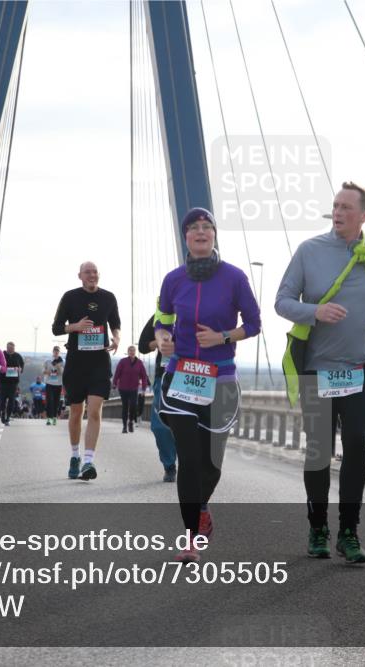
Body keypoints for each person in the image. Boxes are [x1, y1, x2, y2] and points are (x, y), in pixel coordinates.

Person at [276, 181, 365, 564]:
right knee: (319, 450)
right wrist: (314, 311)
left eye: (346, 207)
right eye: (335, 205)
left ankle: (349, 531)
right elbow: (282, 301)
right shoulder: (309, 251)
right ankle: (318, 527)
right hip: (319, 368)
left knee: (357, 441)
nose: (338, 212)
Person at [155, 207, 260, 563]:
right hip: (181, 376)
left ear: (214, 235)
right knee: (189, 459)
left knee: (211, 464)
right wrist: (163, 338)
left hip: (220, 378)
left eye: (207, 227)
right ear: (185, 236)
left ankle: (200, 507)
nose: (200, 232)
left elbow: (254, 324)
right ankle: (191, 539)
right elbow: (163, 319)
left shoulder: (234, 277)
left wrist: (223, 336)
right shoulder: (173, 280)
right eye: (193, 228)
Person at [52, 261, 121, 481]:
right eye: (87, 272)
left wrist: (116, 338)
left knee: (94, 411)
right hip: (76, 363)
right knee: (76, 412)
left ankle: (89, 461)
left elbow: (115, 324)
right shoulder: (70, 297)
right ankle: (75, 456)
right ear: (80, 276)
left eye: (95, 272)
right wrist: (75, 327)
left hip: (99, 362)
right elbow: (56, 328)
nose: (92, 275)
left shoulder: (108, 297)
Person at [138, 312, 178, 482]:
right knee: (161, 426)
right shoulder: (161, 315)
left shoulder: (203, 310)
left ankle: (191, 463)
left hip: (195, 374)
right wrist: (161, 342)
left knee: (192, 424)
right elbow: (142, 346)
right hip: (165, 375)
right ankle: (169, 465)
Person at [113, 345, 149, 433]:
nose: (132, 352)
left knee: (133, 405)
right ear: (128, 352)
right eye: (130, 351)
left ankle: (131, 422)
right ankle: (124, 426)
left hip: (134, 388)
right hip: (123, 388)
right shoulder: (123, 362)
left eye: (133, 351)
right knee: (125, 407)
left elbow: (144, 376)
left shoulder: (139, 363)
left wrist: (144, 388)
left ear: (135, 352)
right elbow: (117, 373)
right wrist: (114, 383)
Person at [0, 341, 24, 426]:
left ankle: (8, 416)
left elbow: (22, 366)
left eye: (12, 348)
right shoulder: (2, 354)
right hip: (3, 381)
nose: (10, 349)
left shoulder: (17, 356)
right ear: (6, 348)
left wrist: (19, 369)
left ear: (14, 348)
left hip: (13, 382)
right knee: (2, 399)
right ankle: (2, 413)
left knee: (11, 399)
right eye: (9, 348)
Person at [43, 347, 64, 425]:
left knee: (56, 402)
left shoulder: (63, 361)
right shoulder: (48, 361)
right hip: (49, 383)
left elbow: (63, 372)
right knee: (50, 401)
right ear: (53, 351)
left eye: (57, 351)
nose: (56, 352)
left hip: (58, 384)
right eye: (55, 351)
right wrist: (47, 372)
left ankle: (54, 417)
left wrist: (58, 367)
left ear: (59, 352)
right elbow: (43, 371)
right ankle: (49, 418)